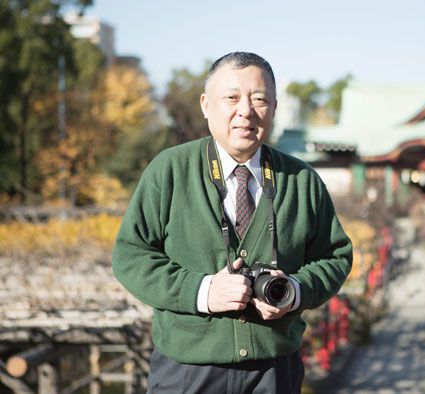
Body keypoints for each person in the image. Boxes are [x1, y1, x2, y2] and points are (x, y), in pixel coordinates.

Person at [112, 51, 353, 393]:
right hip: (187, 369)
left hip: (274, 369)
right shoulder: (169, 170)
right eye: (232, 98)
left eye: (260, 99)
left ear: (274, 107)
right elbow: (129, 256)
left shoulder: (301, 179)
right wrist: (203, 291)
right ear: (206, 105)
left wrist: (296, 291)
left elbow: (336, 256)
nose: (246, 111)